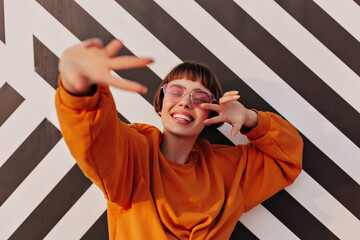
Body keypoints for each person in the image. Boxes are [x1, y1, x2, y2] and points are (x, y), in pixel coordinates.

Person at [55, 38, 303, 240]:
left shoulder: (228, 171)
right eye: (175, 92)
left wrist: (249, 118)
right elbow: (94, 139)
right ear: (161, 103)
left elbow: (287, 158)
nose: (185, 101)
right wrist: (77, 88)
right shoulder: (134, 154)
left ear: (212, 111)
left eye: (200, 98)